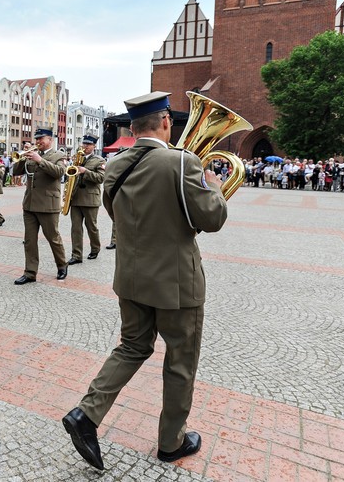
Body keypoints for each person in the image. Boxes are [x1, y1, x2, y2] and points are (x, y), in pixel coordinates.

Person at [62, 92, 228, 470]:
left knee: (132, 347)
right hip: (176, 282)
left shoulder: (115, 165)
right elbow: (213, 219)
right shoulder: (183, 162)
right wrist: (213, 185)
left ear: (133, 128)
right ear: (167, 121)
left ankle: (86, 415)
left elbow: (118, 215)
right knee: (180, 360)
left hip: (131, 277)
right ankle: (172, 441)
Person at [13, 128, 67, 284]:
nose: (37, 142)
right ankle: (30, 272)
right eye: (36, 139)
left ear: (50, 139)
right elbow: (16, 172)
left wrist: (40, 160)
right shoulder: (31, 155)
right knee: (29, 240)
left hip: (48, 204)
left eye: (41, 139)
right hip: (30, 204)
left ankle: (62, 265)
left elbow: (58, 173)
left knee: (53, 238)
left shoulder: (59, 155)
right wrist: (22, 158)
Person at [67, 135, 106, 264]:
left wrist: (85, 171)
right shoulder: (78, 158)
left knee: (91, 227)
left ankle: (95, 249)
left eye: (88, 144)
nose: (85, 146)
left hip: (90, 199)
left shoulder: (99, 160)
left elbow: (100, 178)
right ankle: (76, 255)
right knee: (76, 228)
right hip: (76, 198)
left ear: (94, 146)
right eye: (84, 144)